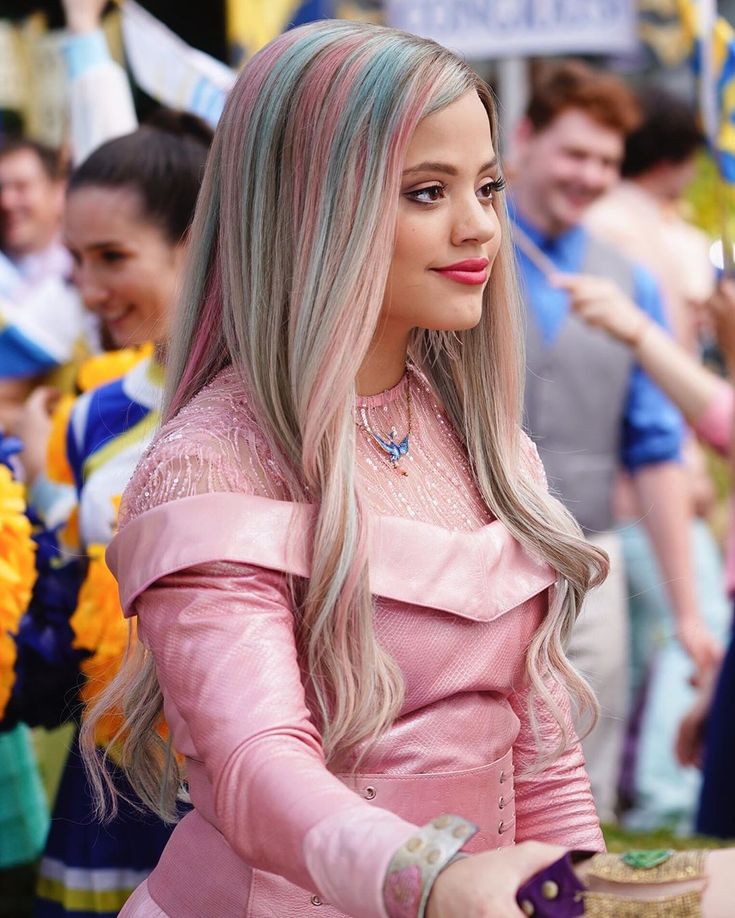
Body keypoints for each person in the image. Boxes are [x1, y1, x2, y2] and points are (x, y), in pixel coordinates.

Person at [75, 22, 732, 918]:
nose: (479, 226)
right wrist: (432, 877)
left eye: (488, 186)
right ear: (308, 207)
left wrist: (598, 895)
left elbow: (540, 760)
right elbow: (256, 768)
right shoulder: (209, 459)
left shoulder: (489, 440)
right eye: (427, 190)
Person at [2, 112, 212, 917]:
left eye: (113, 258)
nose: (88, 291)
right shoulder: (92, 415)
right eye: (77, 261)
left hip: (235, 790)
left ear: (197, 244)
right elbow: (62, 601)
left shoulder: (280, 410)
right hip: (110, 790)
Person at [508, 59, 720, 823]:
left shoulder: (626, 279)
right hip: (469, 564)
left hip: (588, 562)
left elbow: (657, 451)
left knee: (578, 788)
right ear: (524, 140)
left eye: (604, 160)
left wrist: (686, 612)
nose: (589, 175)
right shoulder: (467, 251)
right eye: (573, 152)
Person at [583, 84, 730, 831]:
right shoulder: (638, 237)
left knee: (655, 645)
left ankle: (639, 798)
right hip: (644, 478)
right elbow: (680, 402)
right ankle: (664, 796)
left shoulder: (609, 229)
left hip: (639, 477)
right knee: (688, 629)